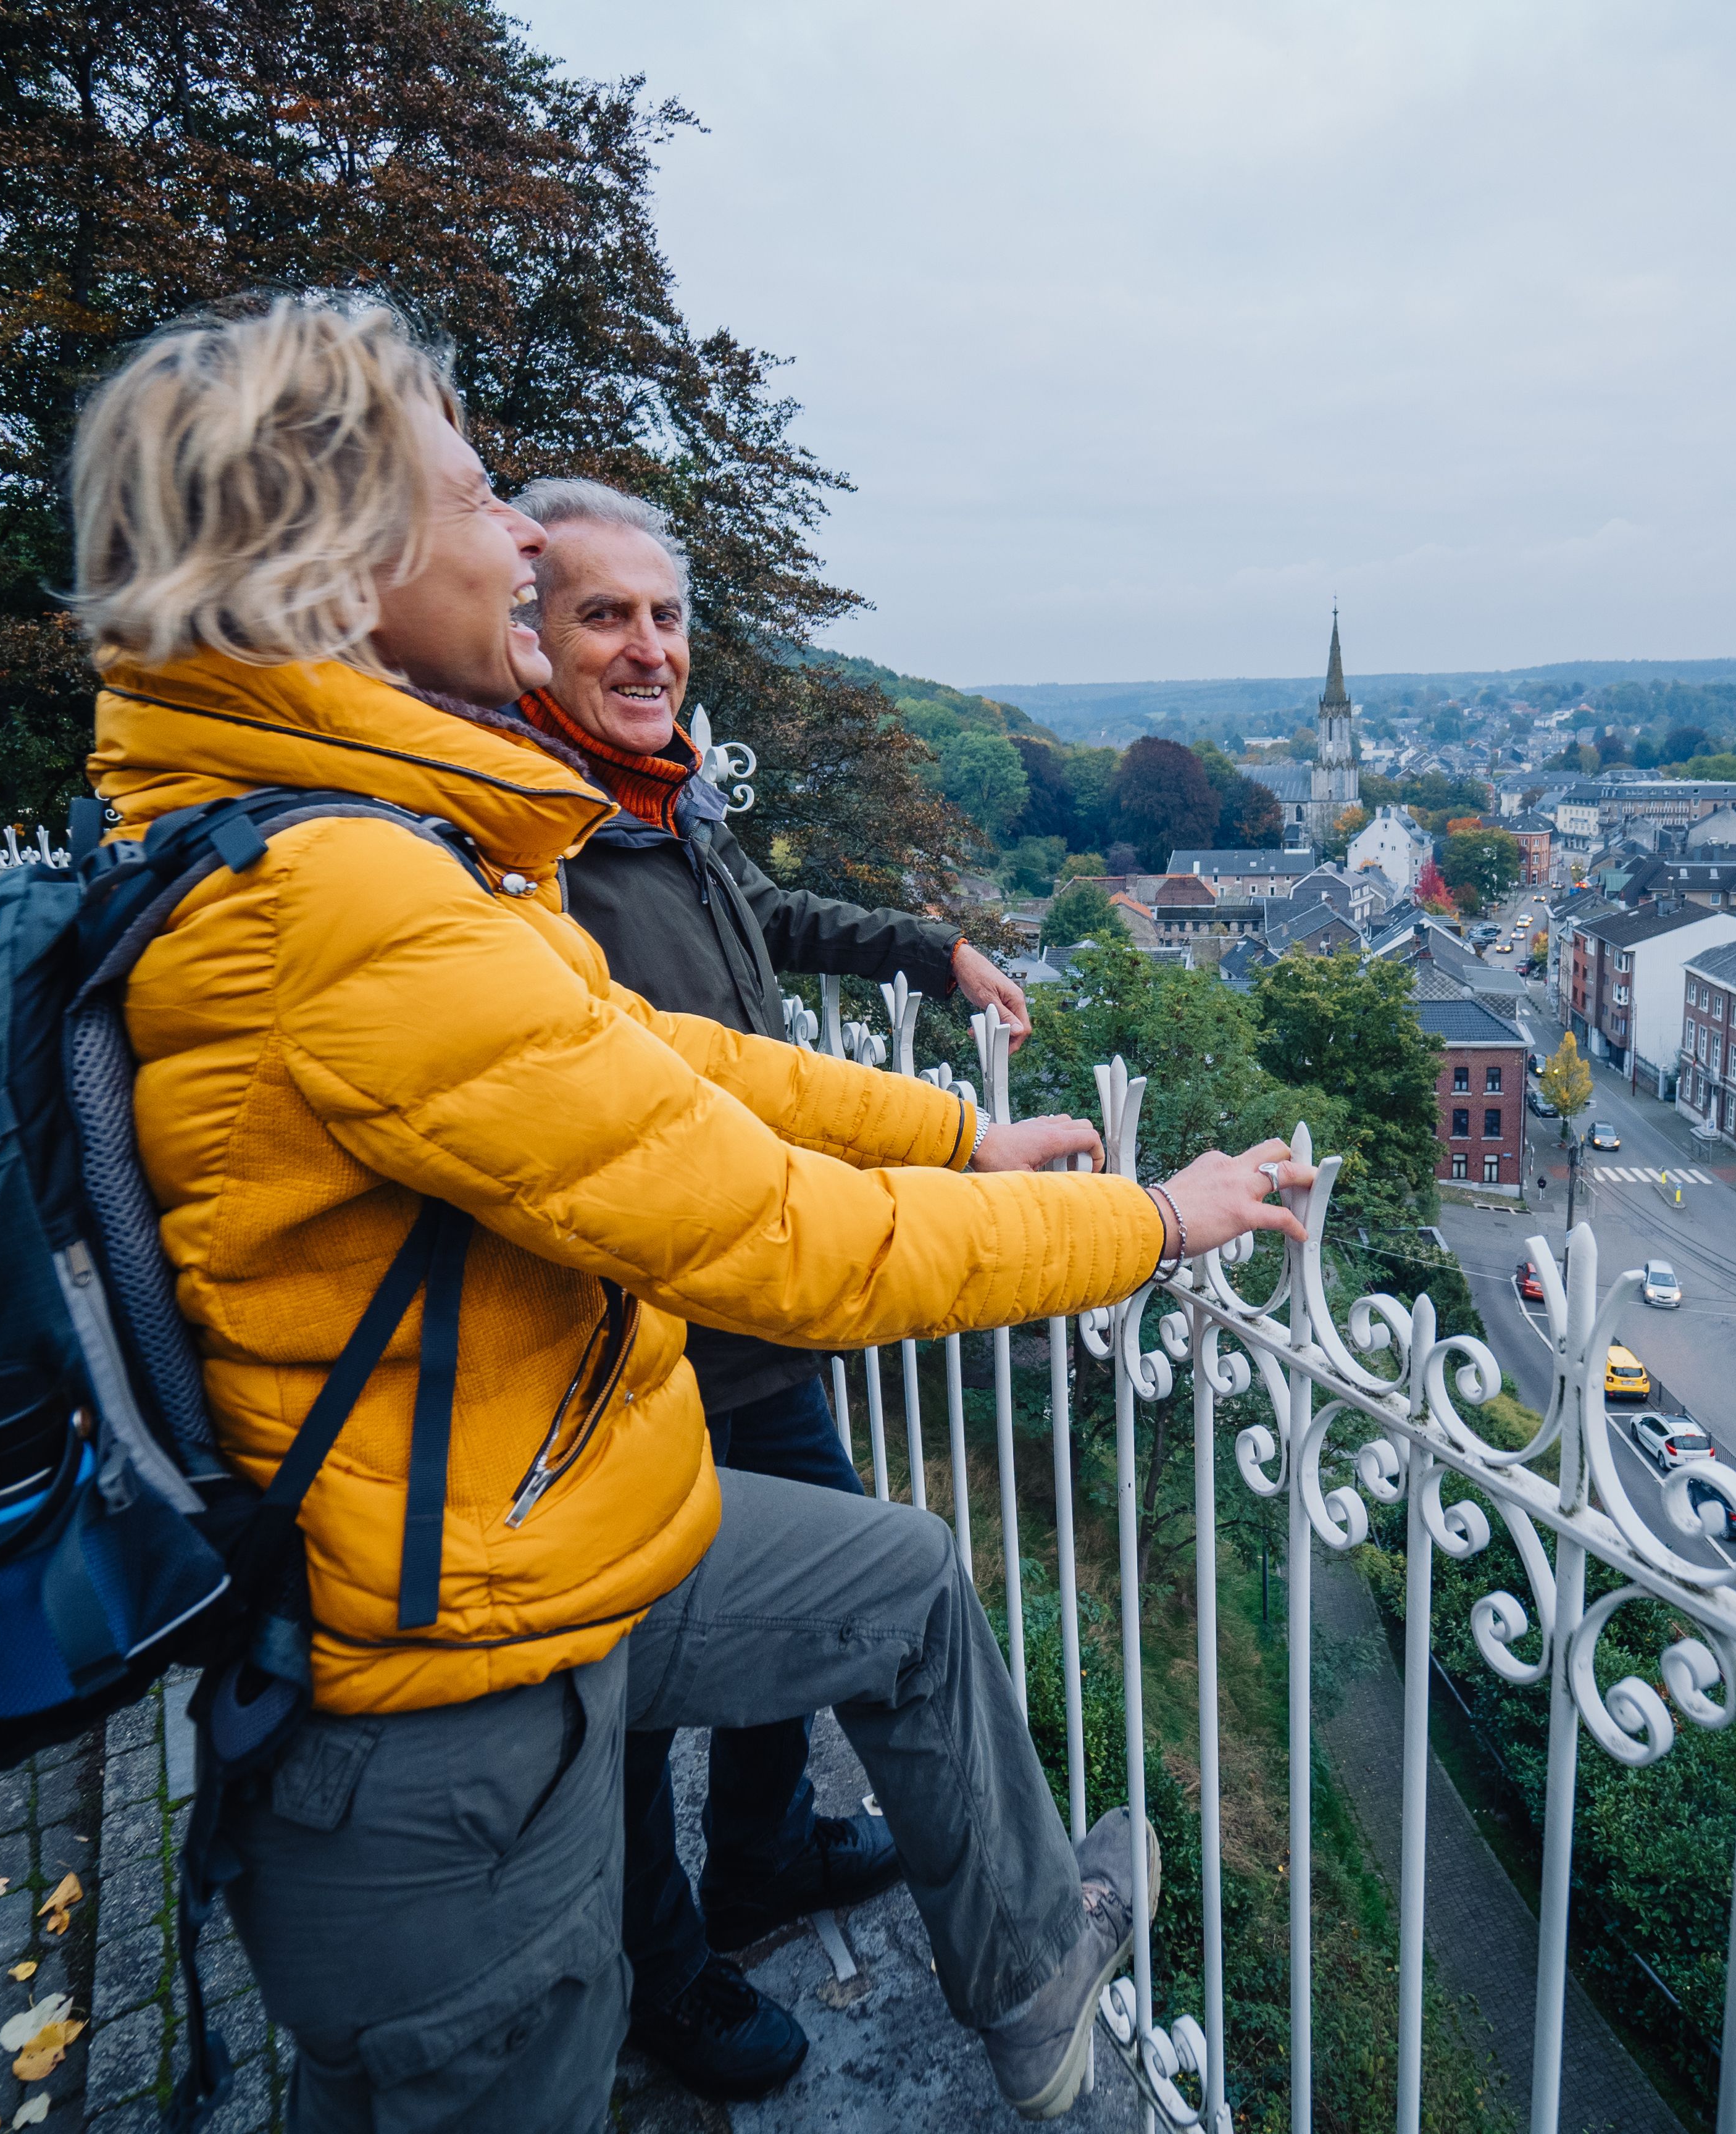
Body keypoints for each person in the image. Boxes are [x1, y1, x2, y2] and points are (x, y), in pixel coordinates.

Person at [69, 291, 1304, 2132]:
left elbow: (664, 1052)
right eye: (477, 498)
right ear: (340, 559)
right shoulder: (346, 903)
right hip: (441, 1717)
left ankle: (1036, 1980)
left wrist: (946, 1134)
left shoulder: (362, 848)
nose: (522, 537)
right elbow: (796, 1240)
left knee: (900, 1582)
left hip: (512, 1549)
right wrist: (1154, 1221)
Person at [475, 474, 996, 2098]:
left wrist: (926, 948)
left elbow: (760, 920)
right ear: (526, 636)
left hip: (760, 1301)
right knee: (640, 1672)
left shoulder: (661, 797)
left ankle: (762, 1852)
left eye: (667, 615)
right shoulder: (525, 842)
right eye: (604, 615)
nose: (649, 646)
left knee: (824, 1595)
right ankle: (660, 1971)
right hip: (637, 1321)